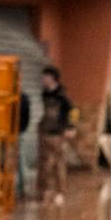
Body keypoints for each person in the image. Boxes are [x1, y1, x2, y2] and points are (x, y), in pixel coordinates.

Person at [36, 65, 76, 205]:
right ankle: (44, 191)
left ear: (53, 79)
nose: (43, 80)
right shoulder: (44, 93)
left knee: (58, 163)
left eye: (45, 77)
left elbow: (73, 112)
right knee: (44, 164)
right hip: (45, 131)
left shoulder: (62, 96)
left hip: (58, 133)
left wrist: (70, 127)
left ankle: (60, 192)